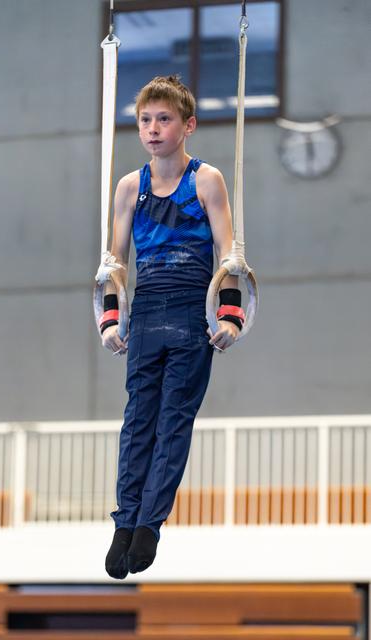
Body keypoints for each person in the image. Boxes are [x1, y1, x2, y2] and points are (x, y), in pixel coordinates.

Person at [97, 75, 245, 579]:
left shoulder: (207, 181)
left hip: (191, 311)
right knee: (138, 420)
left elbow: (230, 256)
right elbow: (113, 263)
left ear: (188, 126)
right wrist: (109, 318)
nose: (154, 129)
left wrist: (230, 315)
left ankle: (149, 526)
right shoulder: (128, 187)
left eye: (164, 120)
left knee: (172, 421)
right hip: (146, 312)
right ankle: (124, 521)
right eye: (145, 120)